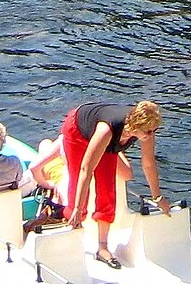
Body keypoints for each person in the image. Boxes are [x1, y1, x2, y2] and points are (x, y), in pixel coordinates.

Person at [62, 100, 169, 268]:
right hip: (78, 131)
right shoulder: (107, 129)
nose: (151, 135)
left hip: (111, 143)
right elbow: (86, 170)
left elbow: (148, 164)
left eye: (154, 130)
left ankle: (103, 247)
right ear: (135, 126)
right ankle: (74, 229)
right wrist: (77, 207)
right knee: (78, 185)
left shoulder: (146, 131)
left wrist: (158, 197)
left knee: (107, 188)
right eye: (148, 131)